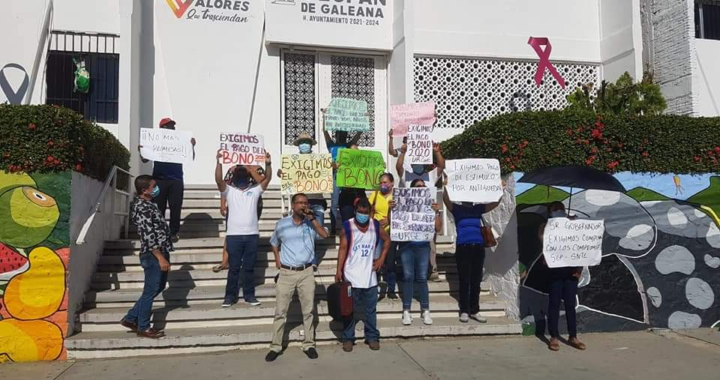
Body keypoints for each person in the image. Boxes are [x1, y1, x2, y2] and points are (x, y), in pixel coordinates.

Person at [265, 193, 329, 362]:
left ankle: (309, 344)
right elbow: (273, 242)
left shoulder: (311, 224)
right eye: (299, 203)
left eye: (305, 203)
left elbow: (324, 235)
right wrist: (277, 259)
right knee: (280, 311)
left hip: (306, 272)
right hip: (286, 273)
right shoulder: (282, 224)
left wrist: (313, 219)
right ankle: (276, 346)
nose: (303, 205)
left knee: (308, 311)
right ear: (292, 206)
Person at [215, 150, 271, 307]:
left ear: (248, 178)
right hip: (234, 236)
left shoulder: (254, 191)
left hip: (252, 235)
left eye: (243, 175)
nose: (241, 177)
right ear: (234, 178)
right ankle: (229, 296)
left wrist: (268, 164)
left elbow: (267, 179)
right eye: (238, 175)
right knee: (233, 268)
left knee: (249, 268)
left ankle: (249, 295)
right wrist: (219, 162)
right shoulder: (229, 190)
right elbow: (218, 179)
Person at [120, 175, 173, 339]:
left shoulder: (150, 204)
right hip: (152, 254)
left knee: (159, 286)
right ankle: (143, 326)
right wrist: (160, 257)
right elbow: (147, 235)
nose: (156, 188)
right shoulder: (142, 207)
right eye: (153, 186)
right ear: (145, 190)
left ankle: (131, 318)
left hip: (161, 251)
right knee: (150, 291)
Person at [335, 198, 391, 352]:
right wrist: (338, 270)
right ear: (355, 211)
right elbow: (342, 249)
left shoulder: (375, 225)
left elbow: (387, 241)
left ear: (370, 212)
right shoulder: (348, 226)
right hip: (351, 276)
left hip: (370, 277)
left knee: (370, 311)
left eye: (365, 212)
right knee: (348, 311)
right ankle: (348, 338)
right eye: (360, 212)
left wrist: (381, 259)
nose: (363, 215)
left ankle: (372, 337)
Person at [390, 179, 443, 325]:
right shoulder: (402, 203)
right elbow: (393, 224)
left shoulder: (430, 205)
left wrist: (436, 212)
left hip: (423, 246)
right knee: (407, 277)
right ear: (412, 190)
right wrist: (392, 210)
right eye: (418, 186)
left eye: (423, 186)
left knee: (421, 277)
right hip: (406, 246)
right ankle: (406, 310)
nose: (421, 188)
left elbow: (438, 228)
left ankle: (425, 310)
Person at [442, 189, 499, 323]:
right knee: (464, 280)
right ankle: (464, 310)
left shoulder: (478, 208)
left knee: (476, 280)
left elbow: (495, 203)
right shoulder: (456, 208)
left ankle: (475, 310)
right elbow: (445, 200)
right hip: (463, 247)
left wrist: (501, 190)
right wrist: (445, 187)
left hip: (478, 247)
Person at [138, 118, 196, 243]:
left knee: (176, 206)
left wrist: (191, 146)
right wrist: (142, 151)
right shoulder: (154, 141)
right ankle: (160, 231)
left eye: (172, 126)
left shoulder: (180, 140)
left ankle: (173, 232)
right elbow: (144, 160)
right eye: (169, 126)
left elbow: (190, 158)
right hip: (159, 180)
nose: (172, 128)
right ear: (162, 128)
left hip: (176, 179)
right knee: (159, 207)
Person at [539, 201, 586, 352]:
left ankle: (573, 336)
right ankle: (553, 336)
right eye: (555, 210)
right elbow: (542, 239)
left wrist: (579, 269)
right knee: (554, 304)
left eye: (561, 210)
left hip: (571, 271)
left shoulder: (573, 226)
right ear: (550, 213)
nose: (559, 212)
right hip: (555, 271)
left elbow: (581, 247)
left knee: (570, 304)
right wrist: (554, 227)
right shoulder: (544, 227)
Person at [277, 131, 328, 268]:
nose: (304, 145)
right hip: (301, 202)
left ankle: (312, 257)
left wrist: (332, 168)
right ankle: (311, 259)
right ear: (298, 146)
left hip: (317, 201)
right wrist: (283, 173)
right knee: (303, 231)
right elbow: (288, 177)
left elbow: (327, 172)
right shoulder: (292, 161)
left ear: (311, 145)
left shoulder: (319, 159)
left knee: (317, 231)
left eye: (307, 143)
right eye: (302, 143)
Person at [396, 142, 445, 281]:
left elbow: (441, 166)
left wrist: (437, 152)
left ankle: (432, 270)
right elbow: (398, 167)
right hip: (410, 218)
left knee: (431, 245)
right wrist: (403, 152)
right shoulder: (407, 176)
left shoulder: (431, 175)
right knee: (408, 246)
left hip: (428, 217)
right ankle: (409, 271)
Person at [213, 166, 266, 273]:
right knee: (230, 231)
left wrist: (251, 170)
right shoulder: (233, 169)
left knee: (249, 230)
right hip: (235, 201)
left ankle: (248, 262)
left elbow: (263, 181)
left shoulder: (258, 169)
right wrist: (223, 204)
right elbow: (224, 185)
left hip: (253, 202)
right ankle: (225, 261)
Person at [323, 108, 364, 234]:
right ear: (336, 134)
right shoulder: (331, 145)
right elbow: (325, 131)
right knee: (334, 202)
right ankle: (334, 227)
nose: (342, 135)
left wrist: (364, 120)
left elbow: (358, 134)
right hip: (335, 176)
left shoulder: (349, 145)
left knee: (348, 201)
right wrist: (324, 117)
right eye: (340, 133)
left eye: (345, 133)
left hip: (348, 177)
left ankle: (351, 224)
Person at [369, 173, 398, 299]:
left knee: (390, 261)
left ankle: (391, 289)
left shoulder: (397, 196)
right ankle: (374, 287)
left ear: (392, 183)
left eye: (385, 182)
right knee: (376, 260)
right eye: (381, 182)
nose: (383, 185)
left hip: (391, 232)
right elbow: (370, 211)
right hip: (377, 232)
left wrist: (389, 220)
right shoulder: (375, 195)